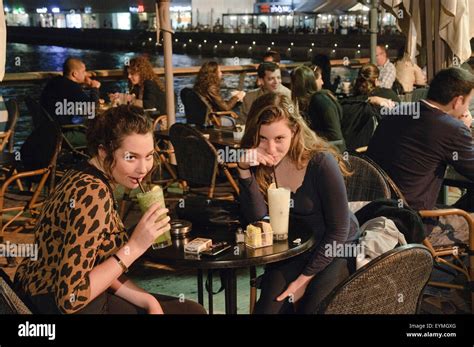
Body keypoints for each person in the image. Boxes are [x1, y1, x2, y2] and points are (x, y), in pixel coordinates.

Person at [14, 105, 207, 315]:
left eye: (149, 155)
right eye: (131, 157)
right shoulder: (92, 194)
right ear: (103, 151)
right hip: (59, 304)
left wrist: (148, 300)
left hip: (40, 290)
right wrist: (135, 246)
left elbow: (97, 264)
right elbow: (70, 299)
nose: (143, 168)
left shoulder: (81, 174)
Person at [237, 93, 359, 314]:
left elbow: (339, 230)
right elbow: (259, 220)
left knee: (311, 309)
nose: (271, 149)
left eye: (279, 139)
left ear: (294, 131)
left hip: (335, 247)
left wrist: (304, 279)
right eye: (263, 138)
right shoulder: (260, 161)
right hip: (296, 247)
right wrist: (244, 171)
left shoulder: (321, 163)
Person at [367, 67, 474, 223]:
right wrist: (463, 128)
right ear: (458, 101)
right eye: (468, 102)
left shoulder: (396, 112)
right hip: (414, 223)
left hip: (374, 214)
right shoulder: (452, 129)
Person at [40, 57, 101, 147]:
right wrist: (94, 88)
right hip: (63, 135)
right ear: (75, 74)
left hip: (47, 131)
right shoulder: (72, 88)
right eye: (84, 71)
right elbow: (91, 110)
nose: (86, 74)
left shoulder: (55, 81)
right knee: (101, 137)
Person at [340, 63, 399, 151]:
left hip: (352, 150)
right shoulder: (389, 95)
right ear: (376, 80)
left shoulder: (349, 102)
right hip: (383, 148)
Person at [291, 65, 345, 151]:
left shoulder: (319, 99)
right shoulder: (309, 102)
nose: (322, 82)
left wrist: (306, 133)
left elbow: (335, 135)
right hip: (324, 151)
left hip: (332, 153)